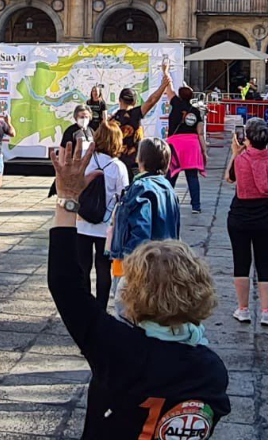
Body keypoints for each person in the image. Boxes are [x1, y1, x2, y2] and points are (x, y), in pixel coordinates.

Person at [45, 138, 230, 440]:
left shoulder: (121, 351)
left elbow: (66, 285)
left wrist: (68, 199)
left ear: (136, 293)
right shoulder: (212, 370)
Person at [226, 117, 268, 326]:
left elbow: (230, 178)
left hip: (240, 217)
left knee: (240, 262)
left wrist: (236, 153)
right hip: (266, 217)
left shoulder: (242, 159)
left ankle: (243, 309)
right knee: (265, 263)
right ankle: (267, 311)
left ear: (248, 139)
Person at [109, 138, 181, 288]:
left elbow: (140, 228)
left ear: (139, 159)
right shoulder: (168, 188)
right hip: (165, 262)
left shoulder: (140, 188)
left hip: (136, 266)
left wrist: (134, 264)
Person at [75, 122, 128, 309]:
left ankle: (84, 306)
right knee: (103, 268)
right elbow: (124, 198)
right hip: (106, 227)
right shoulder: (118, 167)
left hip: (81, 222)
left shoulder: (85, 160)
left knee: (82, 267)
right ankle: (100, 308)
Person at [166, 84, 206, 212]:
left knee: (172, 174)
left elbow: (169, 89)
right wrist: (204, 150)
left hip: (175, 144)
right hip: (192, 145)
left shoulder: (175, 103)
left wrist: (166, 72)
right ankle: (196, 206)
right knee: (192, 176)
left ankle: (166, 202)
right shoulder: (196, 111)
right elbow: (200, 133)